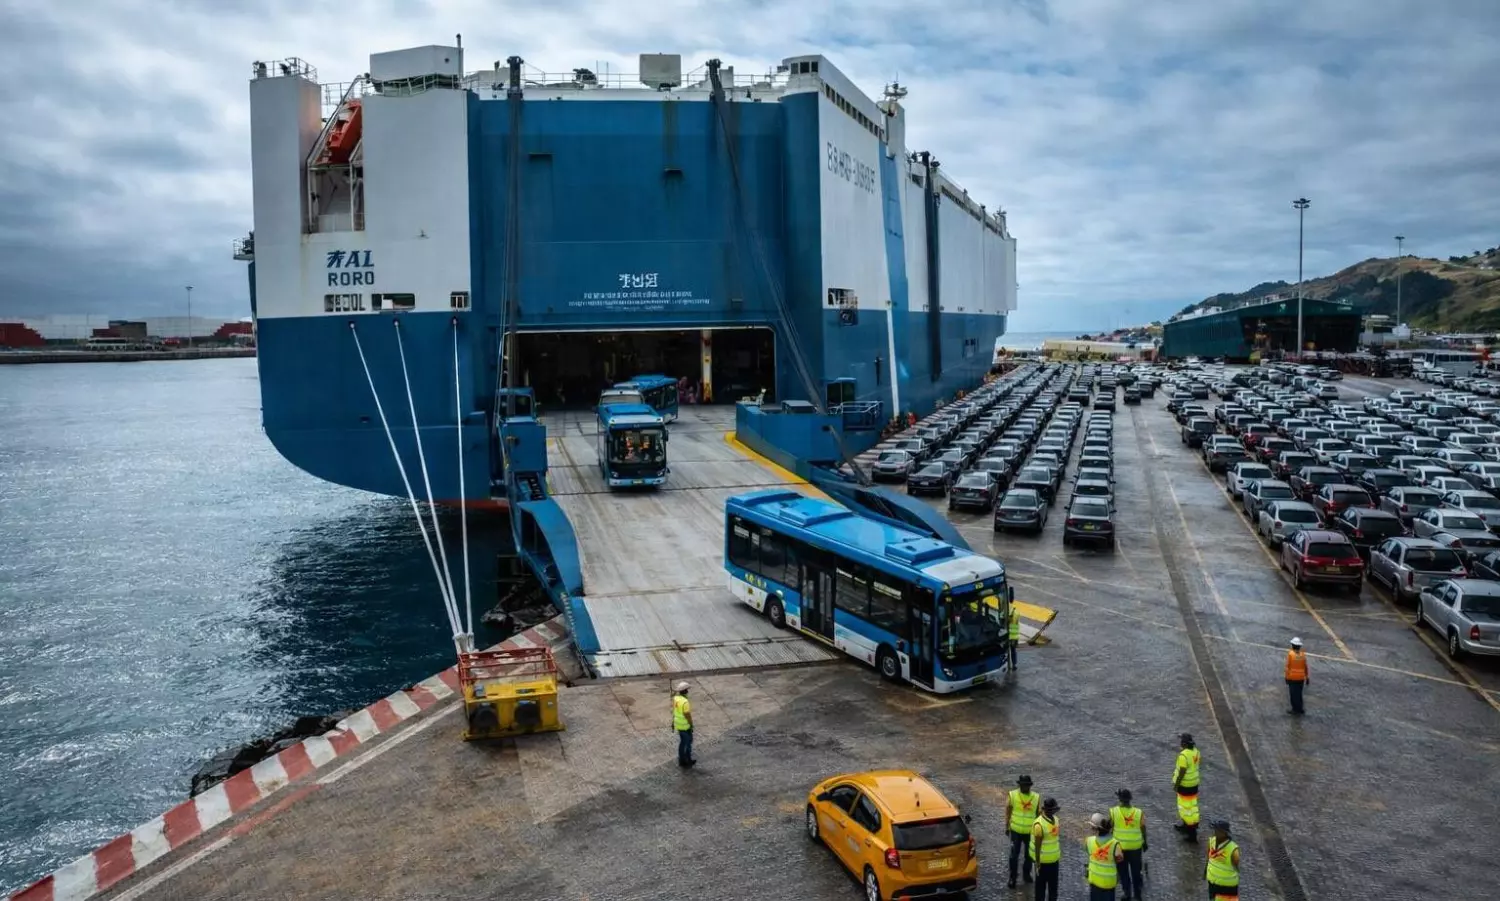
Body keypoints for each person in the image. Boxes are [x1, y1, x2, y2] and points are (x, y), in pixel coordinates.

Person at [1109, 789, 1147, 901]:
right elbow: (1143, 828)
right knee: (1136, 872)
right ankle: (1137, 895)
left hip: (1119, 848)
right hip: (1135, 848)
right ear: (1130, 799)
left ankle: (1127, 894)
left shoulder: (1114, 811)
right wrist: (1145, 842)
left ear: (1120, 799)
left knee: (1123, 872)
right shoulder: (1138, 812)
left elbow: (1110, 827)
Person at [1005, 775, 1041, 887]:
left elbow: (1038, 815)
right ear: (1019, 785)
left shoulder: (1036, 797)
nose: (1024, 787)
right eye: (1023, 785)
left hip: (1030, 832)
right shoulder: (1012, 795)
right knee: (1013, 855)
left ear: (1030, 786)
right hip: (1015, 831)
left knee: (1029, 855)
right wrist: (1007, 826)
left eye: (1026, 785)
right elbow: (1008, 811)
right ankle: (1012, 877)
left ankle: (1026, 874)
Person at [1085, 812, 1125, 900]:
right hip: (1109, 883)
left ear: (1094, 828)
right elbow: (1120, 859)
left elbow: (1089, 852)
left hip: (1094, 881)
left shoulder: (1089, 841)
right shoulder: (1115, 844)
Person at [1029, 798, 1061, 901]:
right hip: (1042, 863)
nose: (1052, 812)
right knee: (1040, 890)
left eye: (1054, 810)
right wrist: (1037, 862)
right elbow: (1037, 846)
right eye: (1051, 810)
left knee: (1053, 890)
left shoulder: (1056, 820)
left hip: (1054, 861)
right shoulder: (1039, 825)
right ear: (1046, 810)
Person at [1173, 732, 1201, 842]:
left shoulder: (1183, 755)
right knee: (1192, 806)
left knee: (1185, 809)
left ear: (1184, 743)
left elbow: (1182, 771)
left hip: (1185, 786)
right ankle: (1186, 826)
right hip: (1194, 784)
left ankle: (1191, 834)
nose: (1180, 743)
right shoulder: (1196, 752)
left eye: (1181, 741)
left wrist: (1176, 785)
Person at [1205, 820, 1241, 899]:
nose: (1215, 832)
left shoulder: (1233, 849)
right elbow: (1208, 856)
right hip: (1213, 882)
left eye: (1218, 830)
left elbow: (1236, 864)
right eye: (1215, 829)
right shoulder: (1211, 841)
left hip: (1227, 885)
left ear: (1224, 833)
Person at [672, 681, 695, 768]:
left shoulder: (676, 699)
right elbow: (687, 715)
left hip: (678, 724)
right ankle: (687, 760)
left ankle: (682, 759)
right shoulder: (685, 702)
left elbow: (675, 710)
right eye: (687, 690)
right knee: (688, 742)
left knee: (682, 743)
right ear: (685, 691)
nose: (688, 691)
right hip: (685, 725)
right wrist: (691, 724)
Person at [1285, 636, 1308, 715]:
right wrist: (1307, 677)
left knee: (1293, 695)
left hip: (1292, 678)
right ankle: (1300, 708)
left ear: (1292, 645)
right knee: (1299, 694)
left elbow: (1288, 667)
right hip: (1301, 678)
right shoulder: (1303, 655)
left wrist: (1286, 677)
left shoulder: (1290, 654)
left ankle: (1295, 709)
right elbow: (1305, 666)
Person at [1007, 603, 1022, 671]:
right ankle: (1014, 664)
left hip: (1010, 635)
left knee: (1009, 650)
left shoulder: (1009, 614)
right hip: (1015, 635)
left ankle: (1010, 665)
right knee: (1013, 650)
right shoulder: (1016, 612)